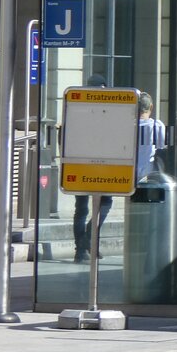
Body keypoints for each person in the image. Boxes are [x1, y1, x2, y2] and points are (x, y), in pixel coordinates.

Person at [72, 74, 109, 263]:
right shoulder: (106, 109)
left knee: (83, 209)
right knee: (99, 205)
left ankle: (83, 247)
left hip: (80, 163)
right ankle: (86, 243)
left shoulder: (77, 107)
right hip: (97, 164)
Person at [135, 91, 167, 183]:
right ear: (151, 107)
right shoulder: (156, 125)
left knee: (130, 194)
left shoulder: (128, 125)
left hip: (129, 172)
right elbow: (162, 147)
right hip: (149, 173)